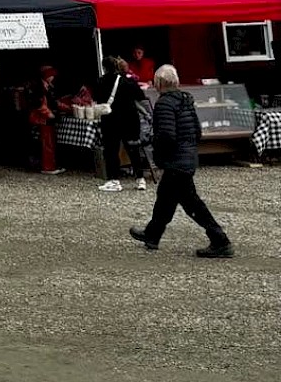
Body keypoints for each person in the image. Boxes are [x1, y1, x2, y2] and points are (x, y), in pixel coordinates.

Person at [130, 65, 234, 258]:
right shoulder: (186, 101)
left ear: (159, 83)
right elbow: (197, 131)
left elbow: (167, 136)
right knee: (165, 198)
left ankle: (220, 240)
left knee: (191, 204)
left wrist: (153, 144)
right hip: (187, 158)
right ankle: (152, 234)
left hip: (175, 160)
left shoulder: (164, 104)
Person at [94, 56, 149, 192]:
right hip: (130, 119)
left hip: (111, 120)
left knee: (112, 150)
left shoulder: (101, 81)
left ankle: (114, 180)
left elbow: (98, 99)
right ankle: (140, 178)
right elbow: (141, 96)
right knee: (133, 149)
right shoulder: (128, 81)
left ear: (104, 68)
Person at [24, 65, 65, 175]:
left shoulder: (46, 86)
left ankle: (50, 165)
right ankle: (48, 167)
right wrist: (50, 114)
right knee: (47, 143)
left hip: (45, 118)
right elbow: (39, 104)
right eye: (51, 75)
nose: (53, 77)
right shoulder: (39, 88)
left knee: (49, 142)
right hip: (43, 119)